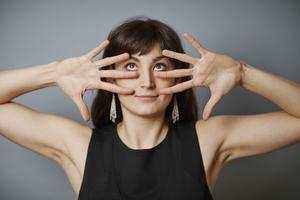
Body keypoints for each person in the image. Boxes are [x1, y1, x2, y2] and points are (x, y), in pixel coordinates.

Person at [0, 16, 300, 200]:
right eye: (131, 66)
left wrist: (242, 74)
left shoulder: (210, 139)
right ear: (106, 77)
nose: (146, 81)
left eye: (159, 66)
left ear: (180, 76)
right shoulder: (78, 145)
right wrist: (53, 74)